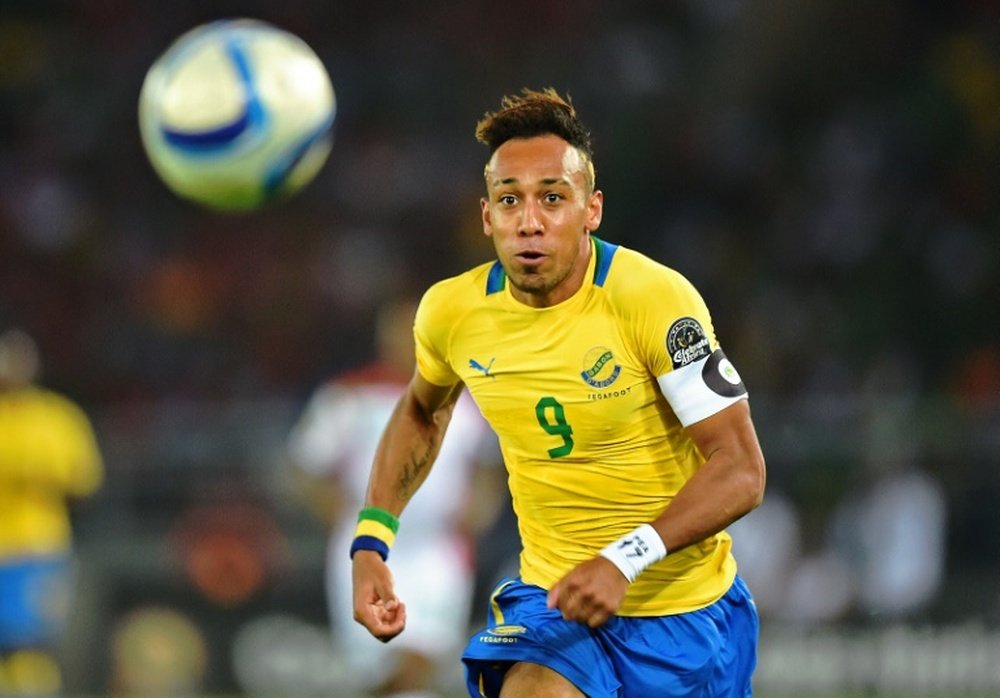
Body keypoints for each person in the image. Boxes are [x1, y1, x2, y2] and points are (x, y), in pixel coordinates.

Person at [351, 88, 767, 697]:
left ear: (591, 209)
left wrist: (624, 559)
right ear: (487, 216)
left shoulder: (652, 300)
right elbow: (422, 409)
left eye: (552, 198)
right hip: (553, 602)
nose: (530, 221)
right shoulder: (451, 312)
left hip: (684, 615)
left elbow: (741, 469)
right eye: (510, 200)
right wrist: (371, 540)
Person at [287, 298, 501, 697]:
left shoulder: (466, 396)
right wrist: (333, 511)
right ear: (383, 339)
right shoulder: (350, 396)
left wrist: (481, 507)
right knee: (375, 670)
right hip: (369, 549)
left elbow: (489, 459)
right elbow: (304, 462)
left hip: (438, 550)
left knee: (422, 660)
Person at [0, 328, 104, 695]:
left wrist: (35, 477)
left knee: (31, 641)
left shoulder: (58, 418)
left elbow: (85, 480)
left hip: (37, 546)